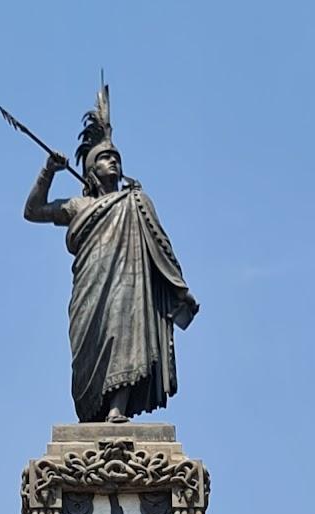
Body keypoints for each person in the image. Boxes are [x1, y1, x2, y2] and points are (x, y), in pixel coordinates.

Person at [23, 87, 198, 424]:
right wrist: (48, 171)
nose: (113, 160)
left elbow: (160, 245)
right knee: (94, 341)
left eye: (116, 157)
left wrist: (179, 288)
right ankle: (94, 411)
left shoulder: (135, 202)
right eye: (105, 157)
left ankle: (118, 409)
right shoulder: (79, 206)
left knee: (125, 331)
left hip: (128, 284)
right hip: (90, 288)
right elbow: (33, 211)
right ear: (91, 171)